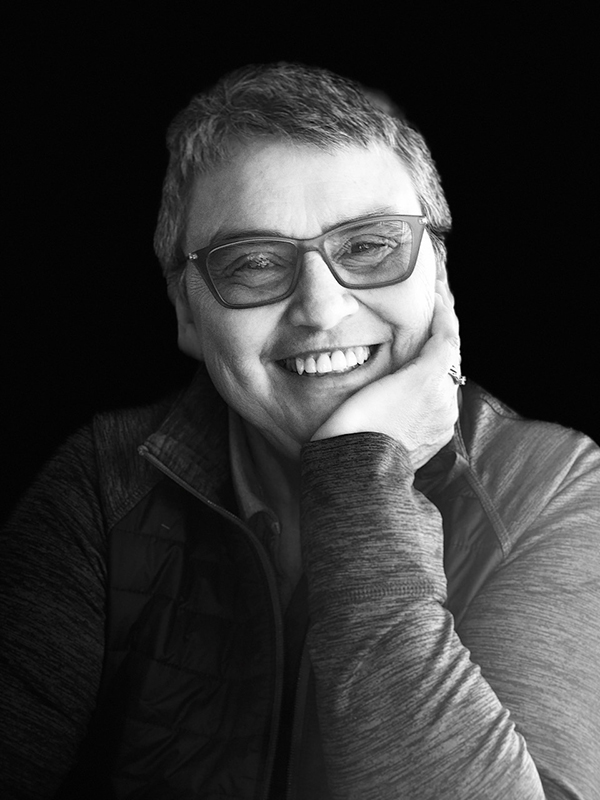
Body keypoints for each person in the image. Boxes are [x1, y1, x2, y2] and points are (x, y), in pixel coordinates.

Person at [1, 62, 598, 800]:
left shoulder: (555, 485)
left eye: (371, 246)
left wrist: (358, 476)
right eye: (253, 263)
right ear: (188, 316)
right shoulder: (102, 485)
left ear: (439, 277)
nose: (320, 307)